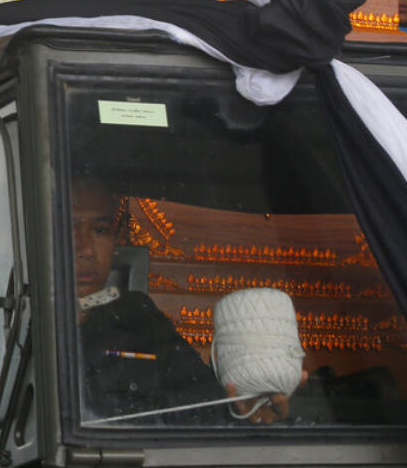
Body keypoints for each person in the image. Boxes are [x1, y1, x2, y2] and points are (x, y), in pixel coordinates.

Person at [71, 180, 296, 425]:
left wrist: (245, 412)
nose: (85, 249)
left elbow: (199, 401)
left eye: (100, 230)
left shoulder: (136, 315)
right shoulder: (30, 320)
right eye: (68, 228)